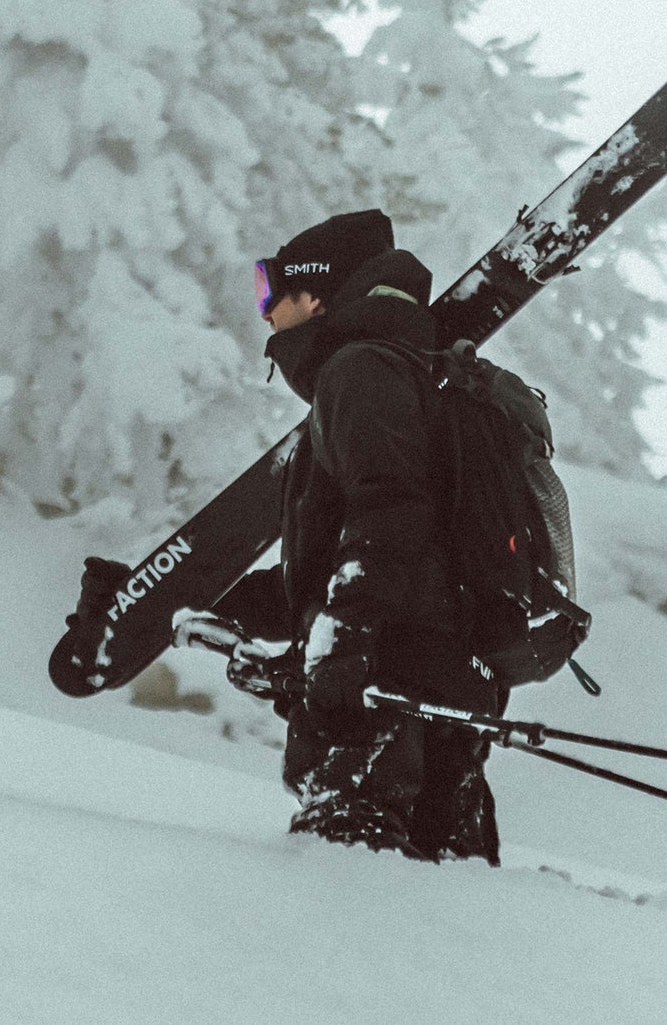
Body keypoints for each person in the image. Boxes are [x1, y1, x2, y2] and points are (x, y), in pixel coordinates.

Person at [76, 209, 505, 864]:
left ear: (318, 296)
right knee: (437, 917)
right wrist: (165, 604)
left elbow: (390, 515)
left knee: (352, 898)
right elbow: (326, 577)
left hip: (379, 703)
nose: (266, 313)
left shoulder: (359, 371)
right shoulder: (396, 374)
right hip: (419, 689)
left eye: (274, 293)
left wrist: (347, 641)